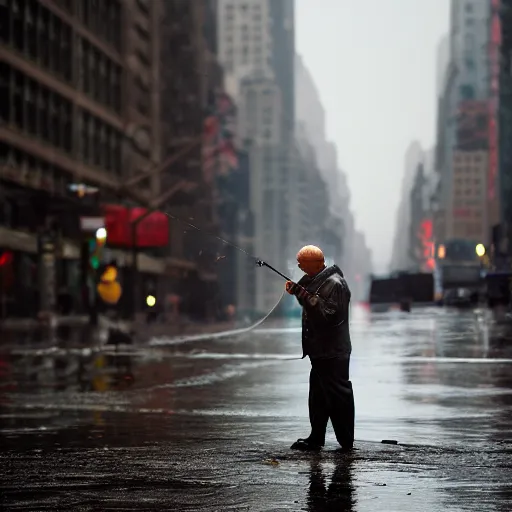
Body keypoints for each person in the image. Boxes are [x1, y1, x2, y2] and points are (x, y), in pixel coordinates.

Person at [285, 245, 355, 452]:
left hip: (333, 352)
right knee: (318, 396)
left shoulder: (336, 284)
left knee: (338, 395)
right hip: (320, 352)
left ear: (316, 263)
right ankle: (316, 437)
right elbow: (312, 301)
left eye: (303, 263)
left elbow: (330, 316)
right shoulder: (319, 281)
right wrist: (300, 291)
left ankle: (346, 442)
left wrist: (304, 295)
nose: (299, 266)